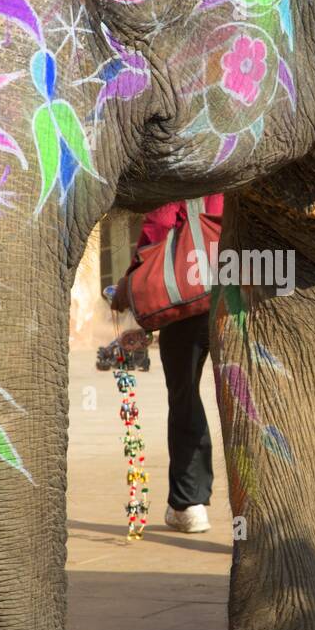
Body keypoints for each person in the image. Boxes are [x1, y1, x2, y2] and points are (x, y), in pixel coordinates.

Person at [113, 196, 224, 533]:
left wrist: (130, 282)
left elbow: (159, 226)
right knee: (243, 400)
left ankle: (189, 504)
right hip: (239, 294)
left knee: (185, 396)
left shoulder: (184, 171)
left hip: (188, 304)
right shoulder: (241, 168)